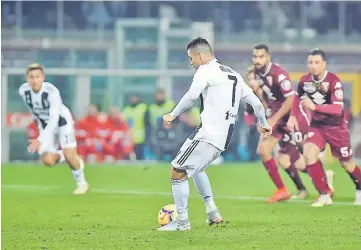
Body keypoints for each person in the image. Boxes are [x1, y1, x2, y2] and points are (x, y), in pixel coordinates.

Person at [158, 37, 271, 231]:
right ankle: (212, 212)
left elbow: (192, 96)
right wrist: (264, 123)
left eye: (191, 58)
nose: (191, 62)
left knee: (177, 170)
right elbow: (257, 103)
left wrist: (172, 114)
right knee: (196, 169)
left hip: (208, 133)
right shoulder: (233, 74)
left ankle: (182, 223)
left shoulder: (205, 70)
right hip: (224, 137)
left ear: (200, 56)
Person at [287, 49, 361, 207]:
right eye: (310, 63)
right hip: (317, 126)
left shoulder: (334, 81)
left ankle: (360, 187)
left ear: (324, 64)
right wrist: (293, 116)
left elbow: (337, 109)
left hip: (336, 128)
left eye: (317, 63)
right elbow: (296, 97)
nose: (313, 66)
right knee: (308, 153)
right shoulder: (305, 80)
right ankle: (324, 194)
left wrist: (314, 107)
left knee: (346, 164)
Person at [19, 63, 88, 195]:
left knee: (69, 155)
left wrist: (40, 139)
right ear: (27, 78)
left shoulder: (52, 92)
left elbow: (54, 118)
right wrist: (39, 124)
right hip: (45, 126)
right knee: (48, 161)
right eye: (31, 77)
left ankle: (82, 184)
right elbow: (33, 109)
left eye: (37, 77)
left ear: (43, 77)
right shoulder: (23, 91)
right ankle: (70, 156)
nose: (34, 80)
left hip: (62, 123)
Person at [248, 44, 306, 202]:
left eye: (261, 56)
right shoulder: (255, 73)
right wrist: (265, 117)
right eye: (255, 57)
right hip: (276, 115)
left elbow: (291, 99)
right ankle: (283, 190)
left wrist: (273, 119)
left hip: (291, 115)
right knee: (265, 151)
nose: (257, 60)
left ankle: (321, 181)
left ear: (268, 58)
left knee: (301, 159)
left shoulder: (278, 74)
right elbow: (265, 97)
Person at [122, 94, 147, 160]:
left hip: (140, 138)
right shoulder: (126, 110)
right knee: (128, 158)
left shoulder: (143, 108)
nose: (133, 100)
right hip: (129, 138)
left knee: (139, 157)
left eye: (135, 98)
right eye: (131, 98)